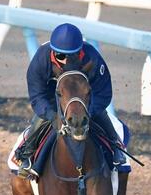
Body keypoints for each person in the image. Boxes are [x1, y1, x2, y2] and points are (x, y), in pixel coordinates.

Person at [15, 22, 126, 177]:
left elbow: (103, 93)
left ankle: (116, 147)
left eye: (72, 55)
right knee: (39, 120)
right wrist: (52, 116)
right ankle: (27, 153)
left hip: (85, 100)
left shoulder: (92, 57)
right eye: (61, 56)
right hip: (52, 100)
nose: (66, 60)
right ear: (53, 52)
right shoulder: (41, 60)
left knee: (101, 115)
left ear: (80, 51)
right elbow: (37, 96)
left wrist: (89, 110)